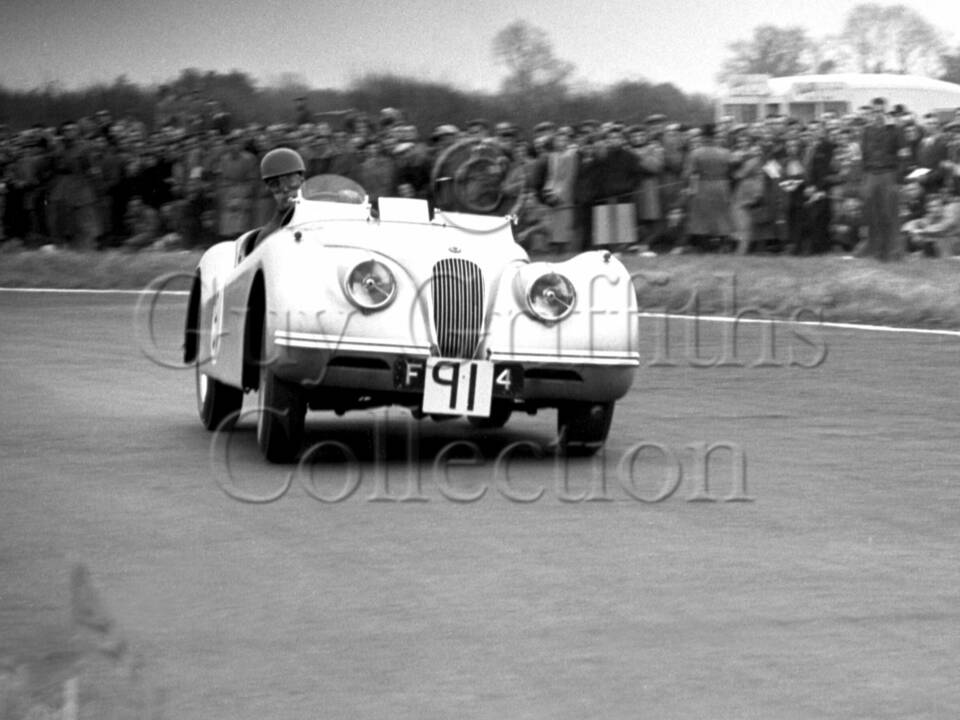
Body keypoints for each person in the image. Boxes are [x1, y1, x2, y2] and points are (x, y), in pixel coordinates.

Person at [859, 97, 906, 260]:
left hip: (888, 174)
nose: (878, 115)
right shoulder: (866, 130)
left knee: (889, 213)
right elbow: (864, 155)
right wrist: (865, 177)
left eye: (881, 111)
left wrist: (898, 178)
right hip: (871, 174)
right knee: (873, 213)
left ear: (885, 111)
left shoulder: (896, 129)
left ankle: (893, 251)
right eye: (875, 111)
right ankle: (876, 250)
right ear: (871, 112)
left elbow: (903, 154)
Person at [253, 147, 305, 247]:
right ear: (269, 189)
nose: (285, 189)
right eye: (275, 184)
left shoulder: (320, 210)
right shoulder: (268, 235)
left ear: (301, 179)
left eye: (290, 180)